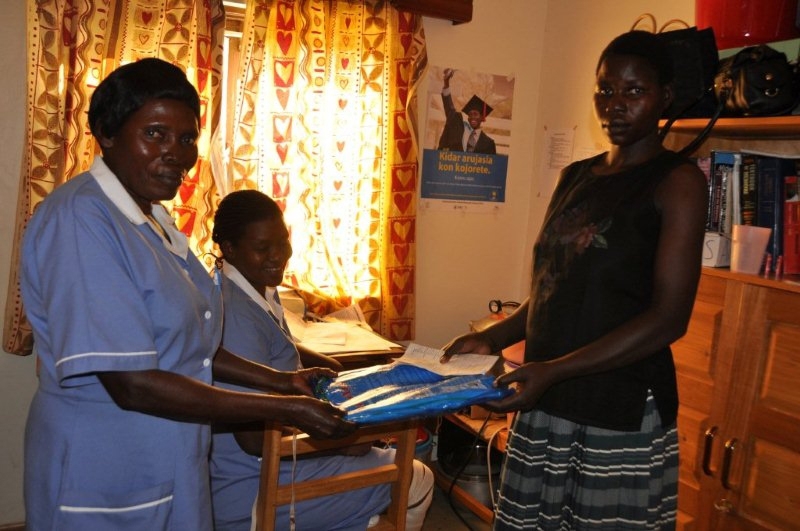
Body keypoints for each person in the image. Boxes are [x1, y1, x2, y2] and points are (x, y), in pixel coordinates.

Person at [19, 58, 355, 531]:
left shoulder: (154, 220)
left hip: (169, 457)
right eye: (155, 134)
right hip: (104, 467)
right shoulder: (80, 219)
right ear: (108, 133)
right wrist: (285, 409)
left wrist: (283, 381)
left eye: (185, 139)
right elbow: (131, 382)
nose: (175, 153)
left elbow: (190, 346)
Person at [441, 31, 708, 530]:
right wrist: (492, 338)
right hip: (547, 395)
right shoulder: (575, 177)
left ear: (665, 97)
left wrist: (554, 370)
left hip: (617, 406)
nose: (615, 104)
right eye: (605, 90)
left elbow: (669, 318)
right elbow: (551, 288)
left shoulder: (678, 182)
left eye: (634, 91)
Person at [209, 189, 434, 531]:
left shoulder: (251, 286)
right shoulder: (237, 315)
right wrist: (339, 445)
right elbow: (253, 439)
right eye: (263, 248)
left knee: (379, 460)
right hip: (253, 485)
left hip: (271, 461)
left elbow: (278, 344)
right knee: (417, 478)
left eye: (282, 242)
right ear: (229, 248)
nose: (278, 256)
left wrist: (327, 363)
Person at [437, 68, 497, 154]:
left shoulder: (488, 143)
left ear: (482, 117)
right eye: (470, 114)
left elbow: (492, 162)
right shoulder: (457, 125)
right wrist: (446, 83)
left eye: (475, 114)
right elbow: (449, 107)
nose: (472, 117)